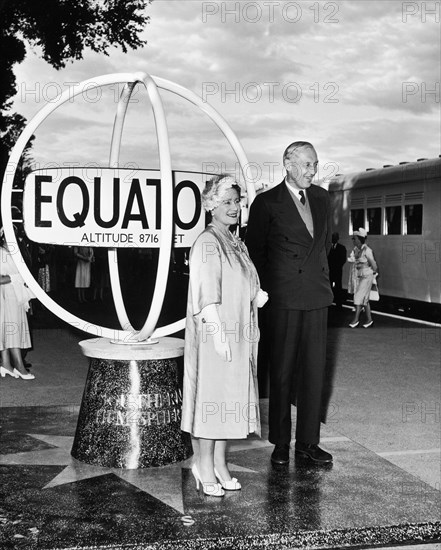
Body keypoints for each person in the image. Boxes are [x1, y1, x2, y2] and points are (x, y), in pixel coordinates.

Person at [245, 141, 333, 465]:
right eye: (307, 164)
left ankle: (308, 443)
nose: (312, 171)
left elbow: (324, 245)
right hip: (283, 298)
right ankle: (281, 443)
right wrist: (268, 292)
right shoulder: (266, 202)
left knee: (314, 372)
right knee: (281, 372)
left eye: (315, 165)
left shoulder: (323, 198)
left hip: (317, 296)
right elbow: (256, 253)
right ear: (287, 163)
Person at [181, 175, 268, 497]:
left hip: (238, 333)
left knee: (228, 401)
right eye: (227, 202)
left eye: (237, 201)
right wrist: (218, 335)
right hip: (215, 335)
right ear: (212, 205)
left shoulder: (233, 240)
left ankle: (219, 463)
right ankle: (202, 466)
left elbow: (244, 278)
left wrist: (255, 294)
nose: (234, 208)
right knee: (212, 402)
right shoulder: (207, 241)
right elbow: (205, 294)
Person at [0, 228, 35, 380]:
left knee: (9, 329)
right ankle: (19, 367)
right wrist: (16, 278)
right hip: (6, 296)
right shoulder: (1, 252)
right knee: (11, 329)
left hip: (15, 296)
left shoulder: (15, 251)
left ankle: (6, 364)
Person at [347, 228, 378, 328]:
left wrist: (372, 274)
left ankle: (356, 320)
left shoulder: (368, 250)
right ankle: (369, 320)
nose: (353, 240)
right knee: (364, 299)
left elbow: (374, 265)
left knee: (358, 296)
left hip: (367, 276)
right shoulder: (356, 250)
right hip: (360, 276)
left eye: (354, 239)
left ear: (360, 239)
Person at [328, 232, 347, 308]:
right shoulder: (328, 247)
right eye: (333, 237)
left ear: (337, 239)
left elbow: (343, 259)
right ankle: (329, 303)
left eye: (335, 237)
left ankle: (339, 304)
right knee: (329, 286)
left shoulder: (342, 248)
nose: (334, 239)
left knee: (338, 287)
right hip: (329, 271)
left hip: (337, 271)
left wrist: (337, 267)